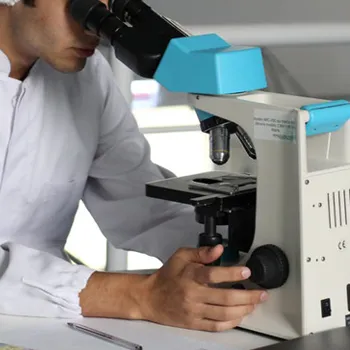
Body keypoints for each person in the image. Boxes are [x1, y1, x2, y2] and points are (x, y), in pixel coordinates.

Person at [0, 0, 268, 332]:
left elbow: (142, 207)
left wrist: (241, 250)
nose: (93, 29)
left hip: (43, 319)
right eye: (83, 5)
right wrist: (139, 297)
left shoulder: (87, 77)